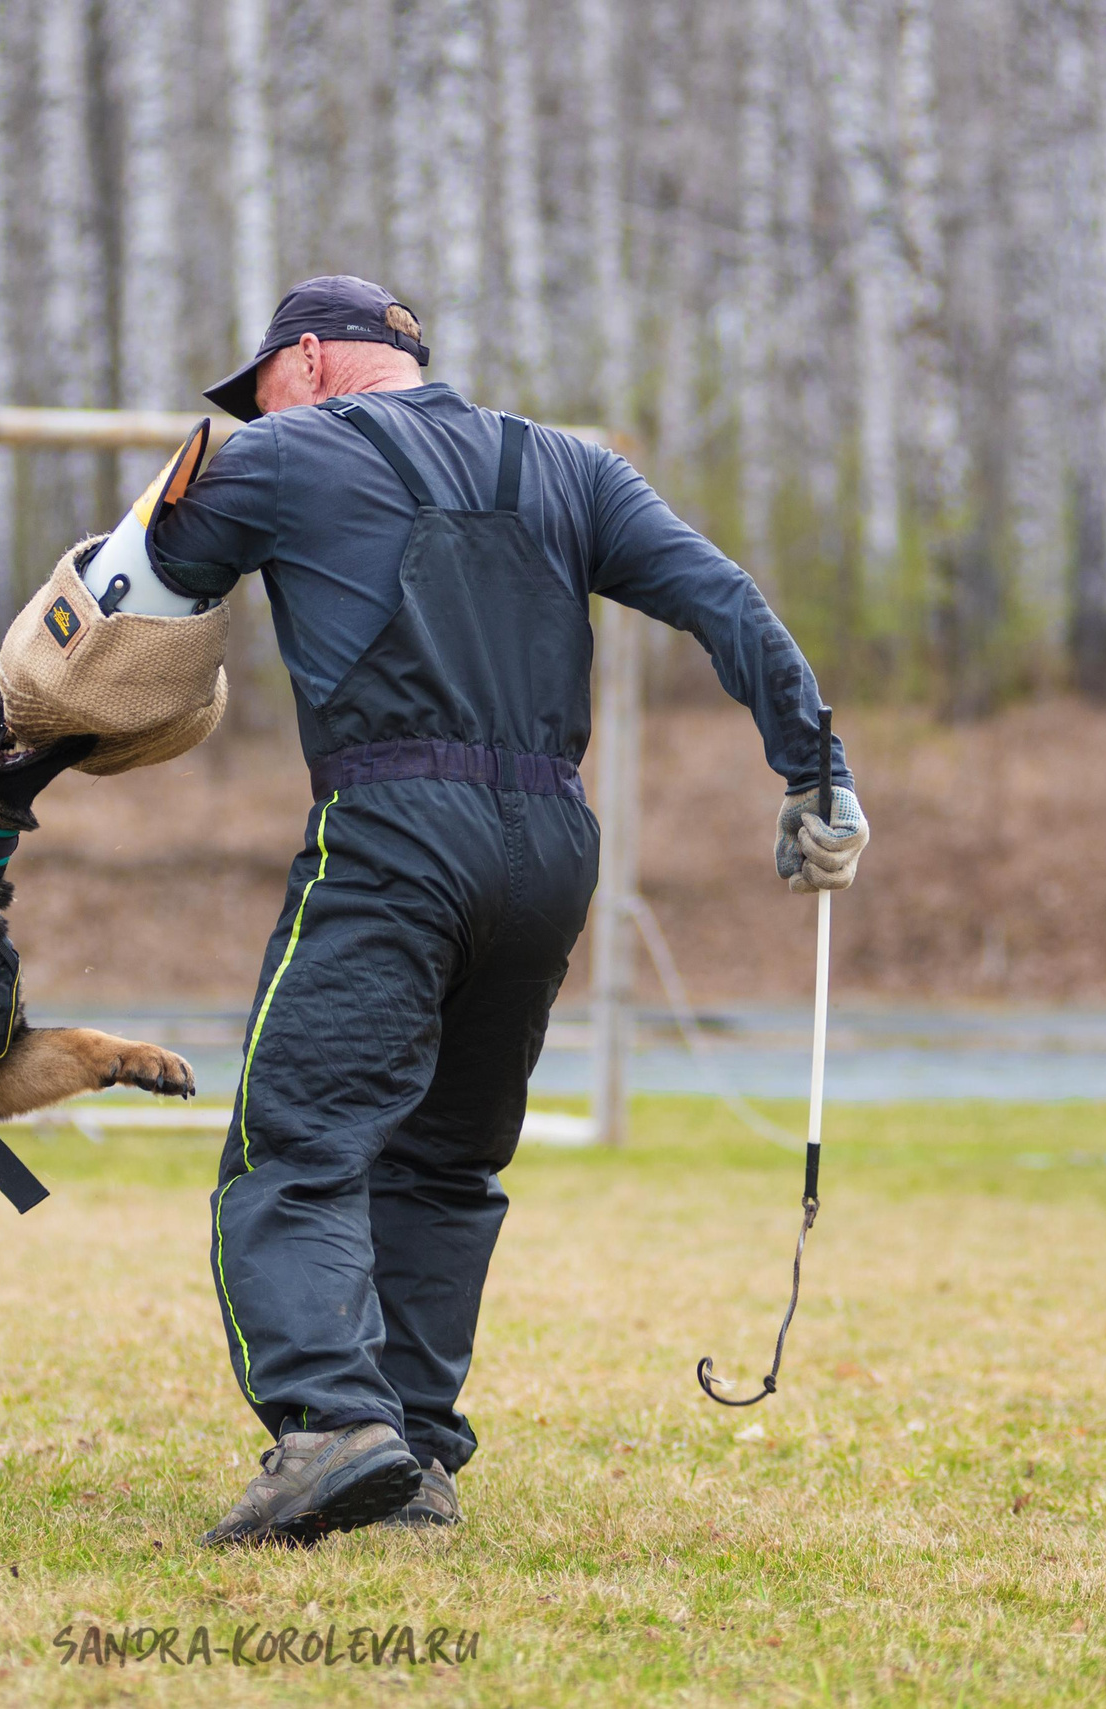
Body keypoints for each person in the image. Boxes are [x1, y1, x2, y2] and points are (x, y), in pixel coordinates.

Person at [142, 276, 870, 1547]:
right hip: (549, 848)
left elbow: (147, 584)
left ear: (306, 361)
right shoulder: (569, 467)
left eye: (257, 384)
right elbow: (721, 595)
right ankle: (412, 1456)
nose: (252, 408)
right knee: (445, 1156)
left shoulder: (278, 452)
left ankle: (328, 1425)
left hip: (393, 829)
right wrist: (819, 770)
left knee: (297, 1140)